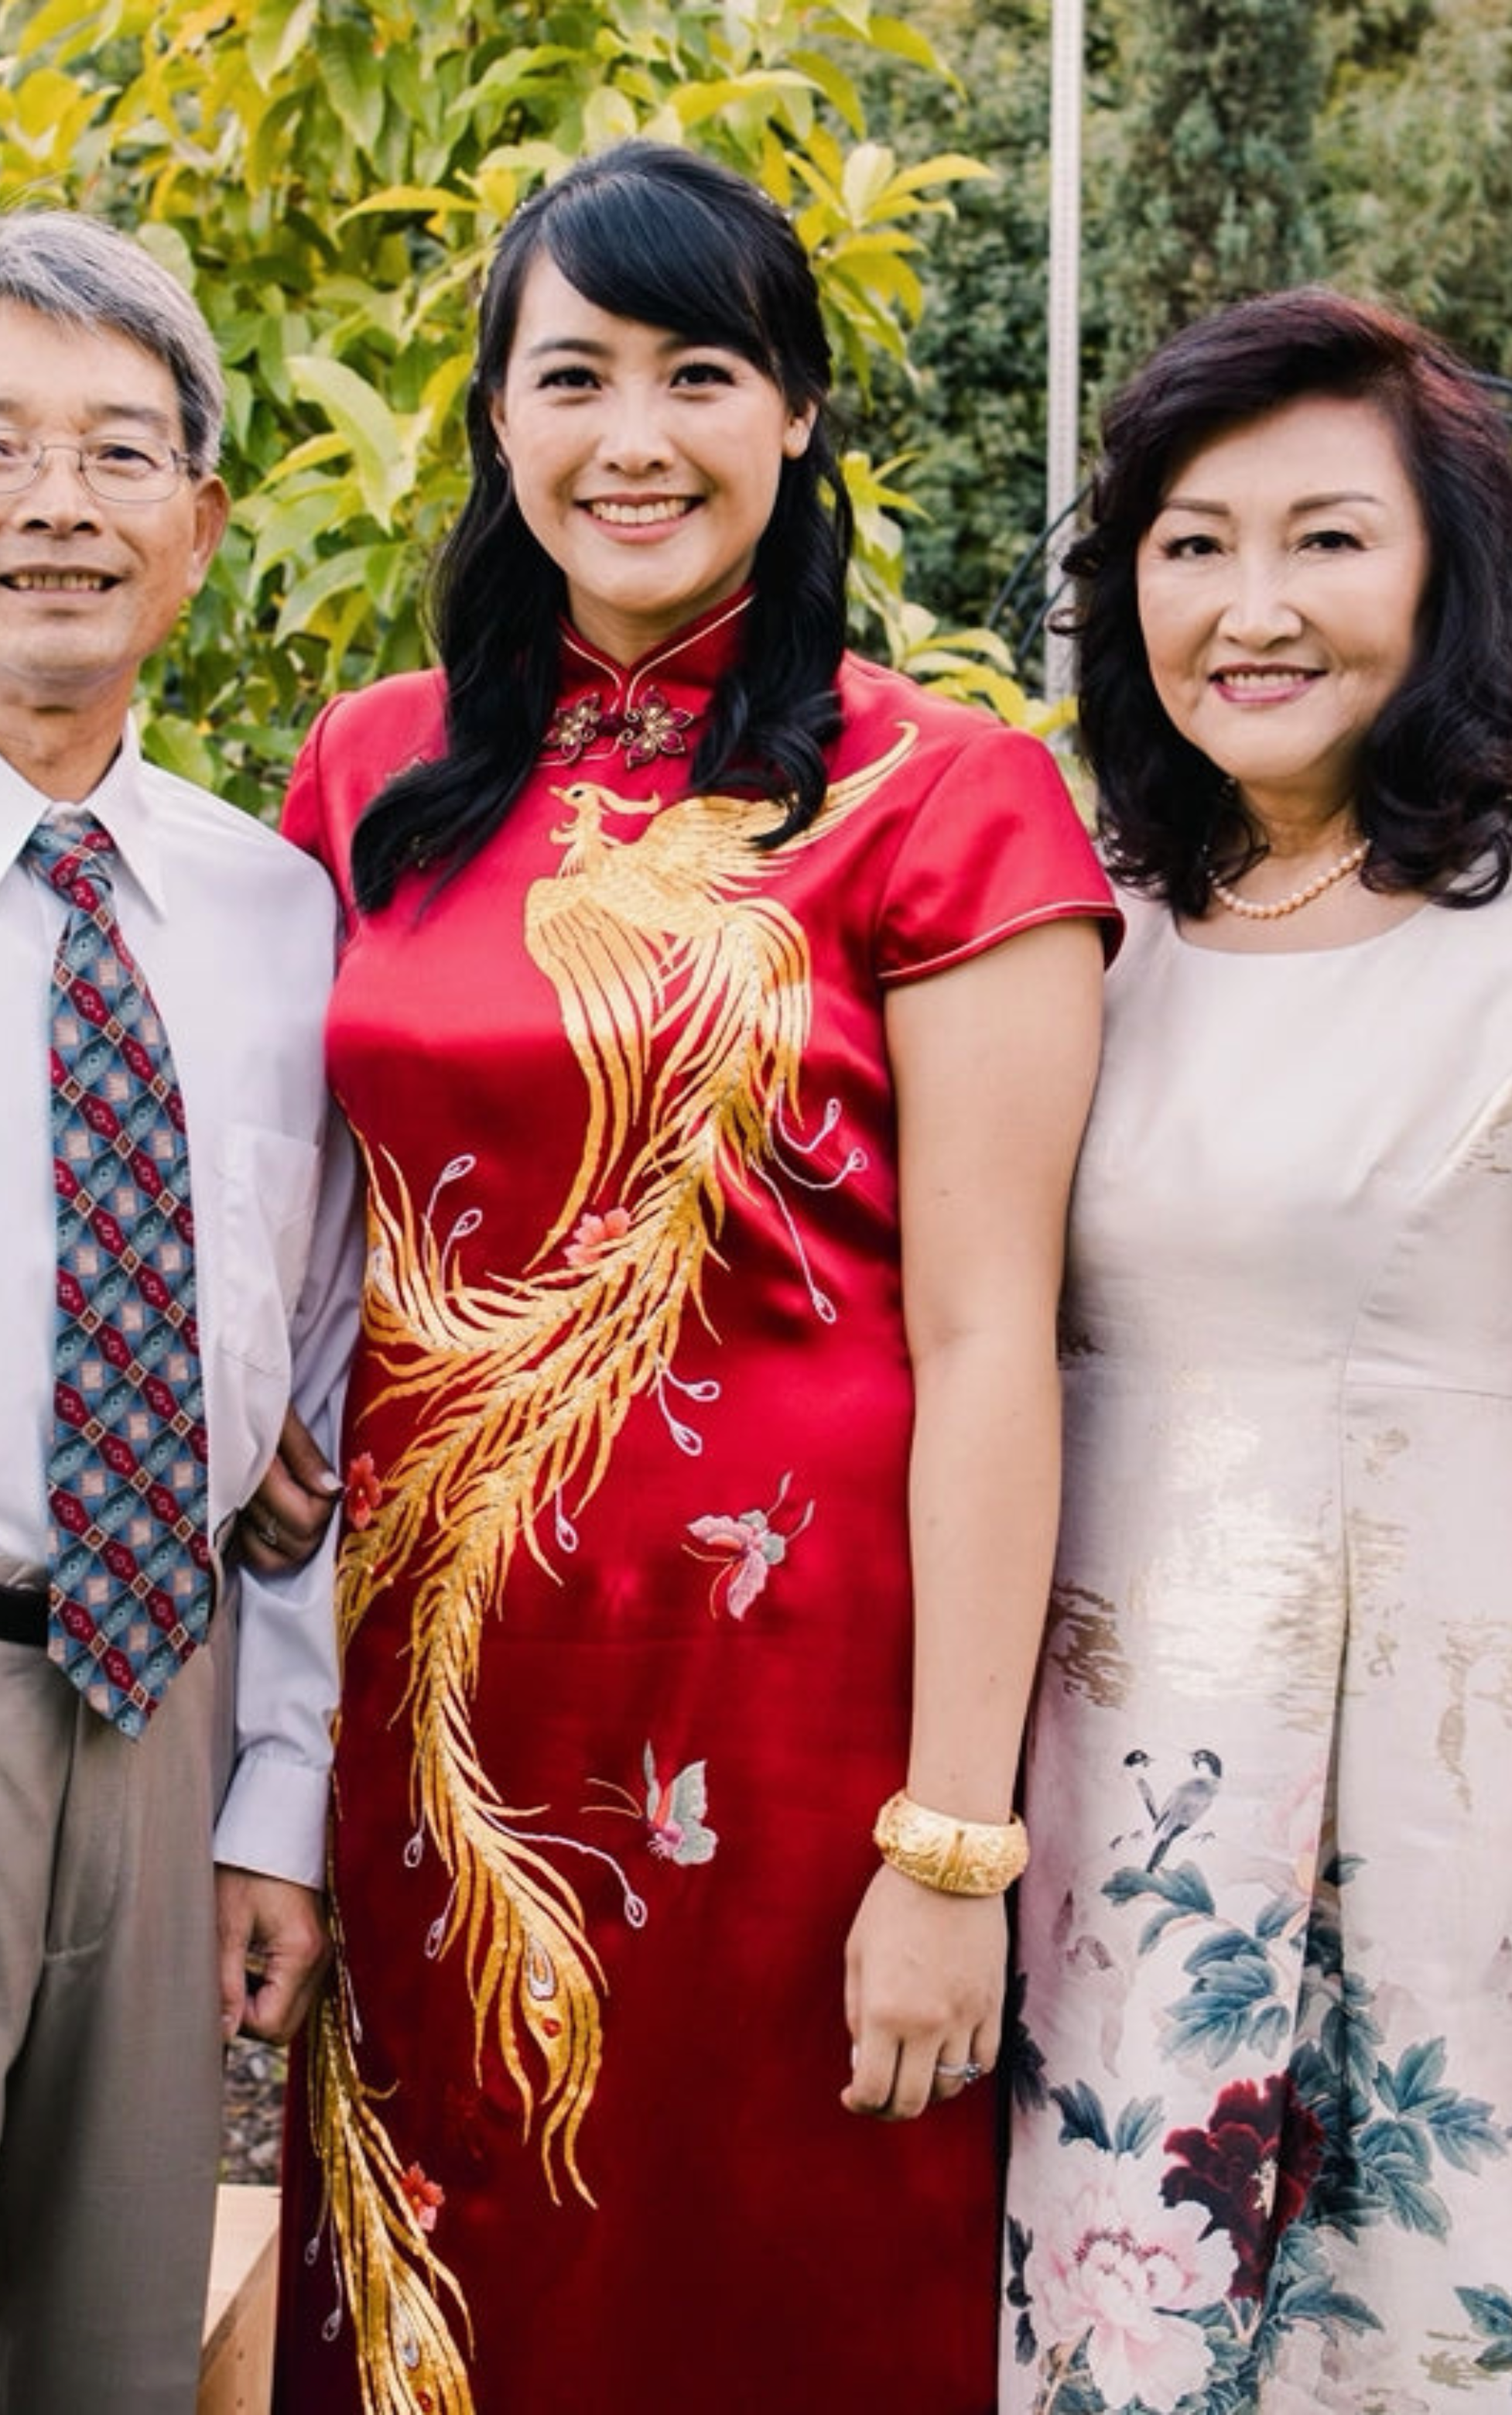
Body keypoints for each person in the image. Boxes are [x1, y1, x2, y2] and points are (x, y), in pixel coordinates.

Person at [265, 139, 1117, 2415]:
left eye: (701, 373)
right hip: (437, 1690)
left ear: (803, 412)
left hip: (800, 1717)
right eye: (573, 377)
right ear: (496, 418)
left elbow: (986, 1339)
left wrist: (951, 1843)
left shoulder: (946, 796)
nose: (632, 438)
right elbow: (292, 1235)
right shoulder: (367, 773)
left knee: (771, 2293)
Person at [1001, 288, 1512, 2413]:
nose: (1253, 606)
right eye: (1192, 542)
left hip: (1447, 1786)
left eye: (1328, 538)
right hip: (1106, 1791)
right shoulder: (1071, 910)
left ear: (1450, 572)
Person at [0, 207, 357, 2415]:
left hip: (155, 1716)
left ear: (197, 526)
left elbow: (303, 1409)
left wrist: (274, 1793)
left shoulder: (275, 919)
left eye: (115, 453)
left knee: (103, 2364)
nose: (54, 506)